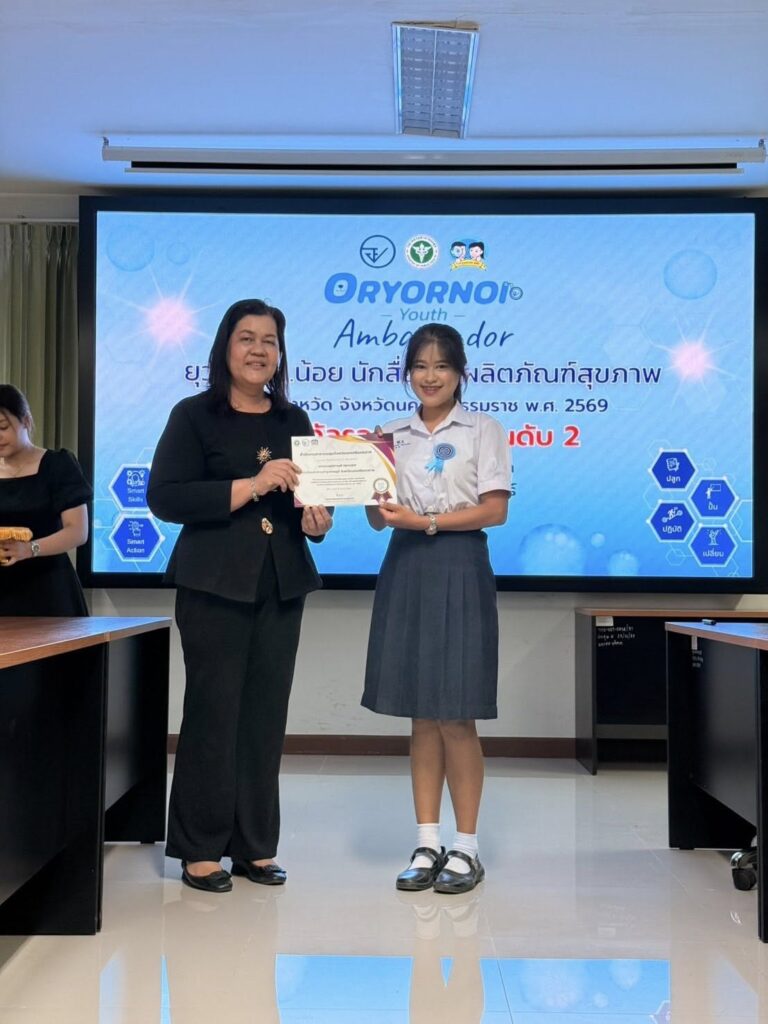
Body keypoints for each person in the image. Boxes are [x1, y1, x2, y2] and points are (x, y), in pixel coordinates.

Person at [147, 298, 332, 894]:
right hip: (214, 583)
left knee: (264, 717)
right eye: (246, 338)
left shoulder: (294, 418)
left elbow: (307, 503)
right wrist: (250, 485)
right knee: (213, 712)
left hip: (282, 582)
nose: (258, 350)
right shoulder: (194, 415)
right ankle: (200, 848)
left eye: (269, 341)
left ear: (281, 353)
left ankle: (254, 845)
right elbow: (165, 497)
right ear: (225, 347)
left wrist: (318, 520)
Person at [362, 324, 511, 895]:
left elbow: (494, 511)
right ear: (407, 373)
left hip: (460, 564)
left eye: (442, 366)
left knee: (457, 713)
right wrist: (369, 484)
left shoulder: (483, 429)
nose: (430, 376)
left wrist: (425, 521)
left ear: (459, 373)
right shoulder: (389, 435)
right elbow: (378, 519)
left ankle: (466, 848)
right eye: (420, 366)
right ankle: (427, 843)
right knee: (421, 713)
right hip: (405, 564)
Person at [0, 384, 91, 615]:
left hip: (49, 588)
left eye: (3, 427)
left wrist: (30, 549)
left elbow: (78, 531)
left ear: (26, 421)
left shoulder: (58, 464)